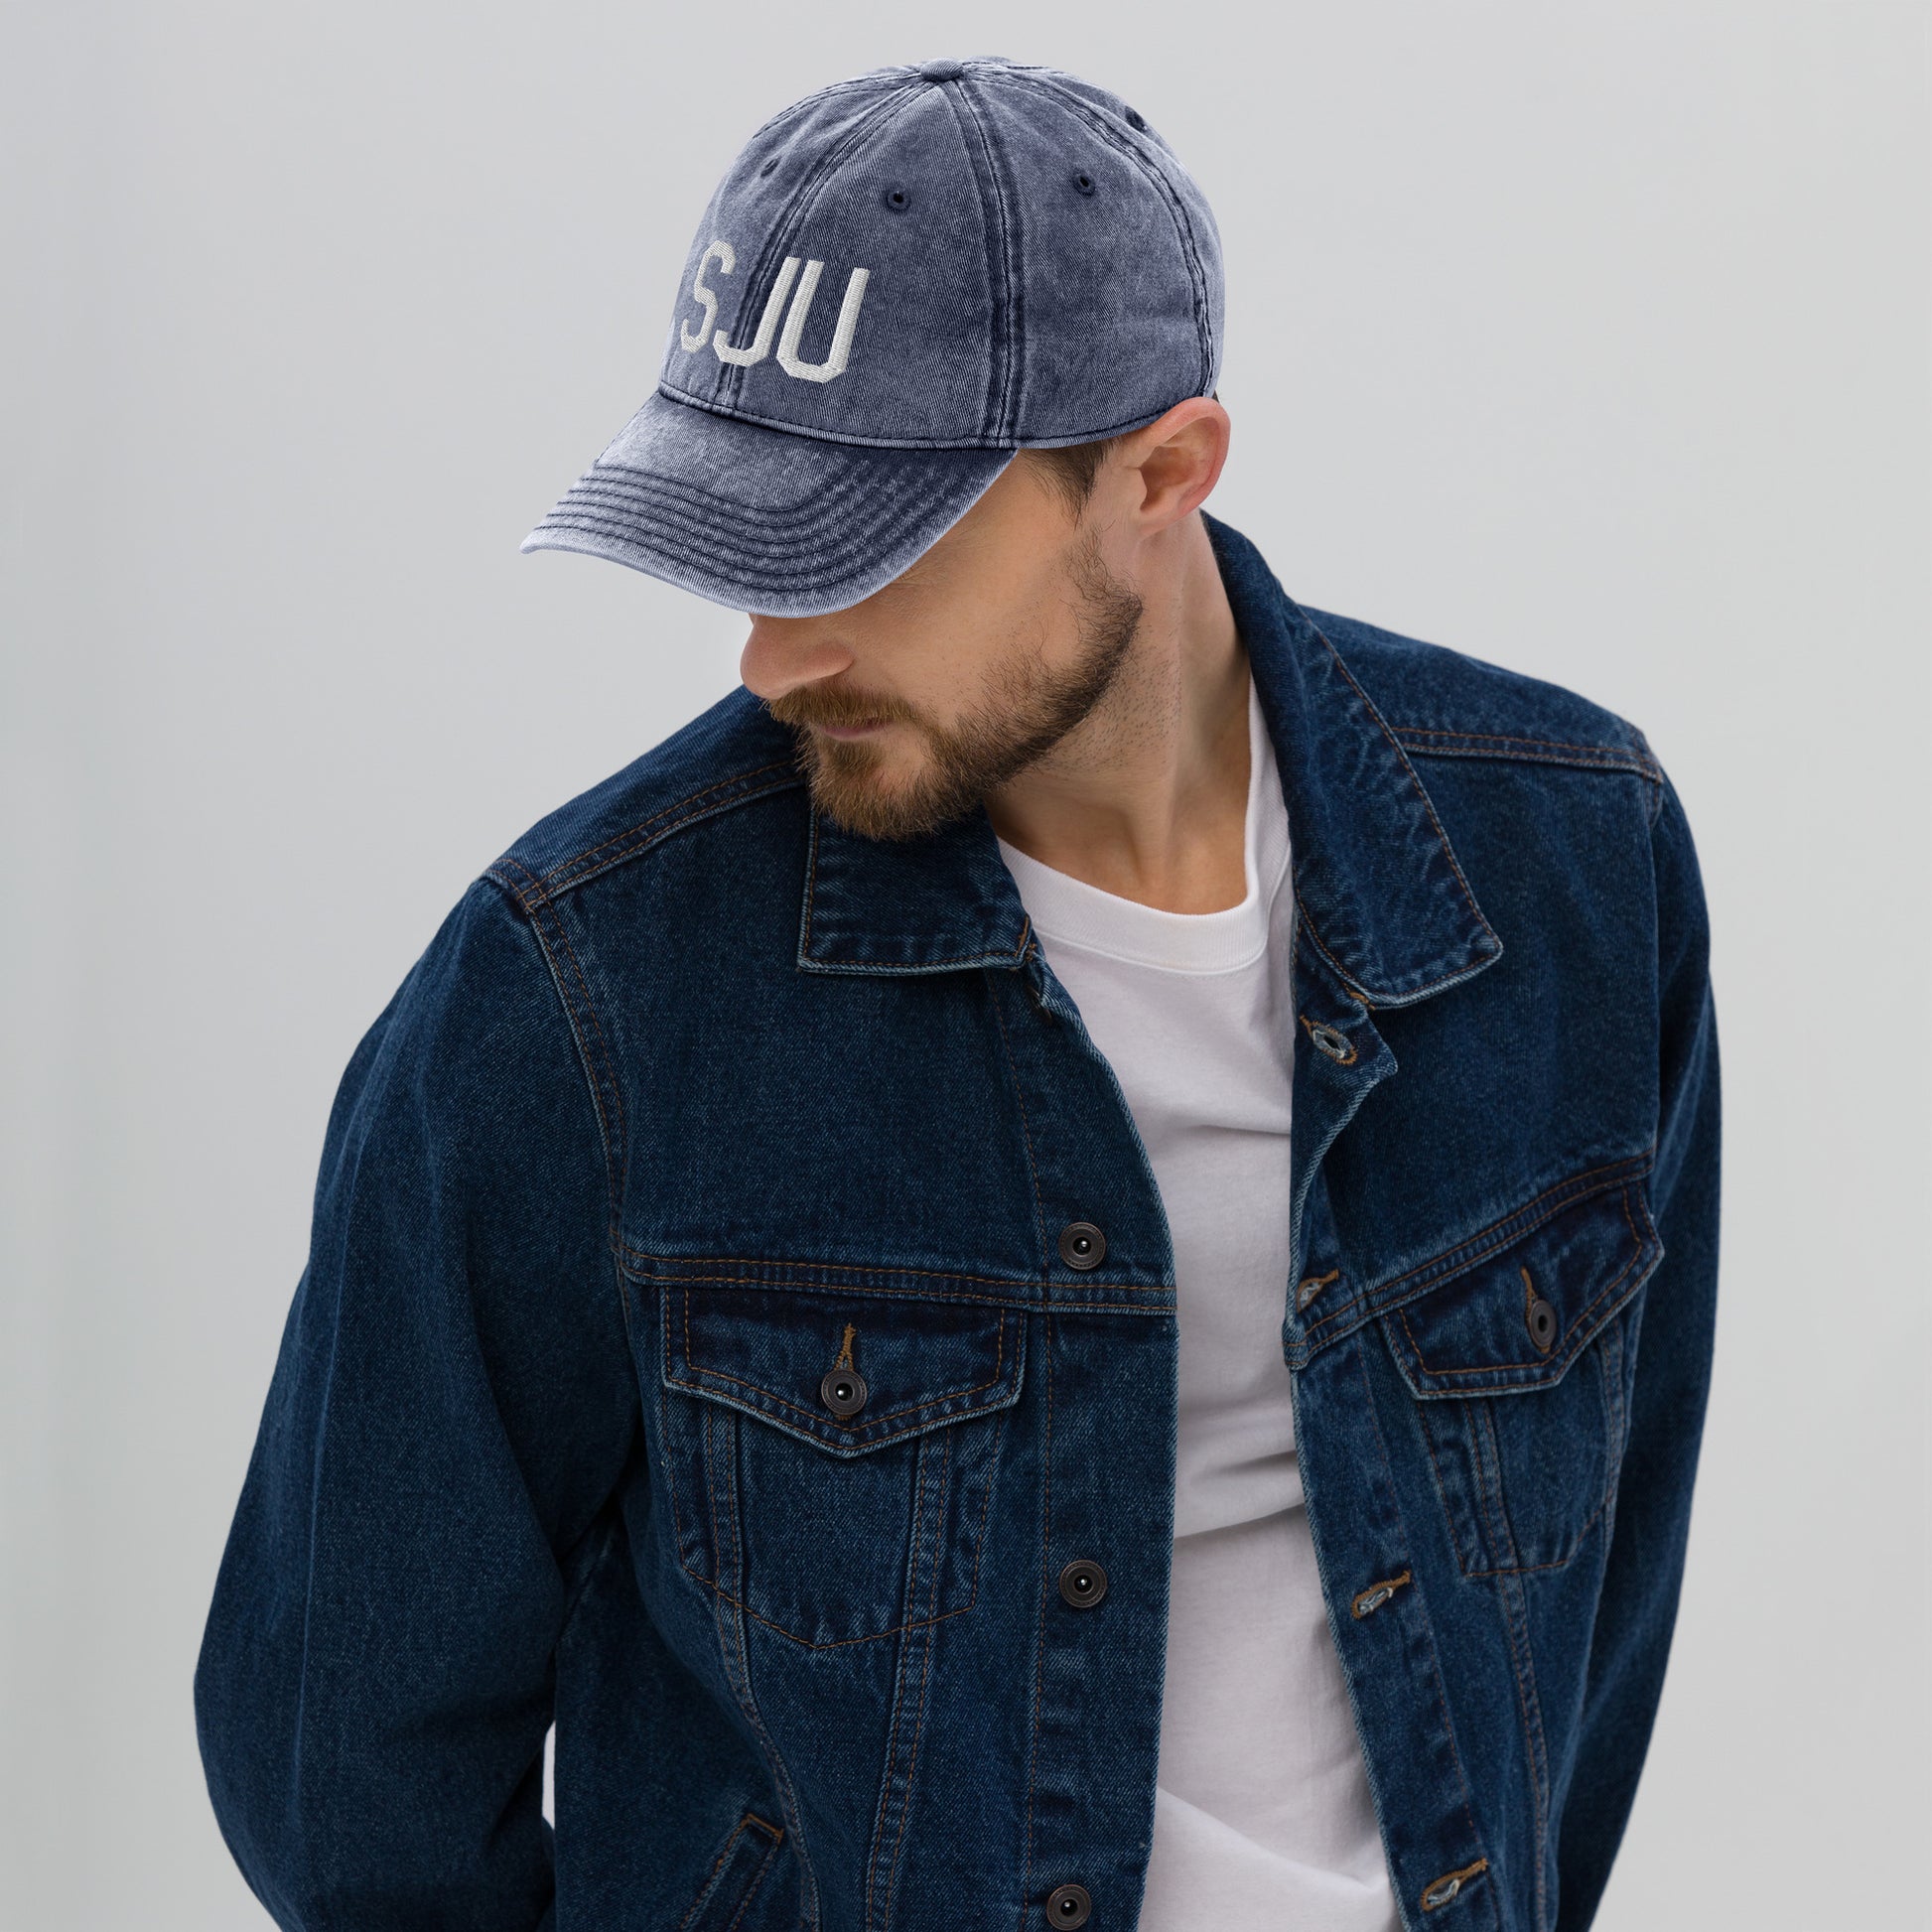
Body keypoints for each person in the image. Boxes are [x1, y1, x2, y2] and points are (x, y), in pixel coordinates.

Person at [195, 54, 1720, 1932]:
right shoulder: (582, 991)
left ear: (1158, 474)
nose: (771, 654)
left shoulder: (1575, 866)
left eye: (862, 549)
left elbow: (1596, 1622)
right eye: (737, 542)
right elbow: (346, 1774)